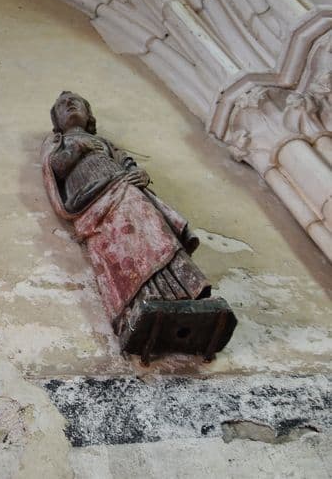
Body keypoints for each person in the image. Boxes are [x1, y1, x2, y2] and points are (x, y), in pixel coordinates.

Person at [42, 91, 235, 362]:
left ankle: (183, 294)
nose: (70, 105)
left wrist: (138, 173)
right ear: (56, 121)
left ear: (89, 115)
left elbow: (125, 161)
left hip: (125, 187)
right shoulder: (58, 142)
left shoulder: (104, 142)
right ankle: (137, 302)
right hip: (93, 202)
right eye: (62, 105)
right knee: (118, 248)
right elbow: (56, 167)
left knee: (153, 232)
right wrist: (79, 147)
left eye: (76, 102)